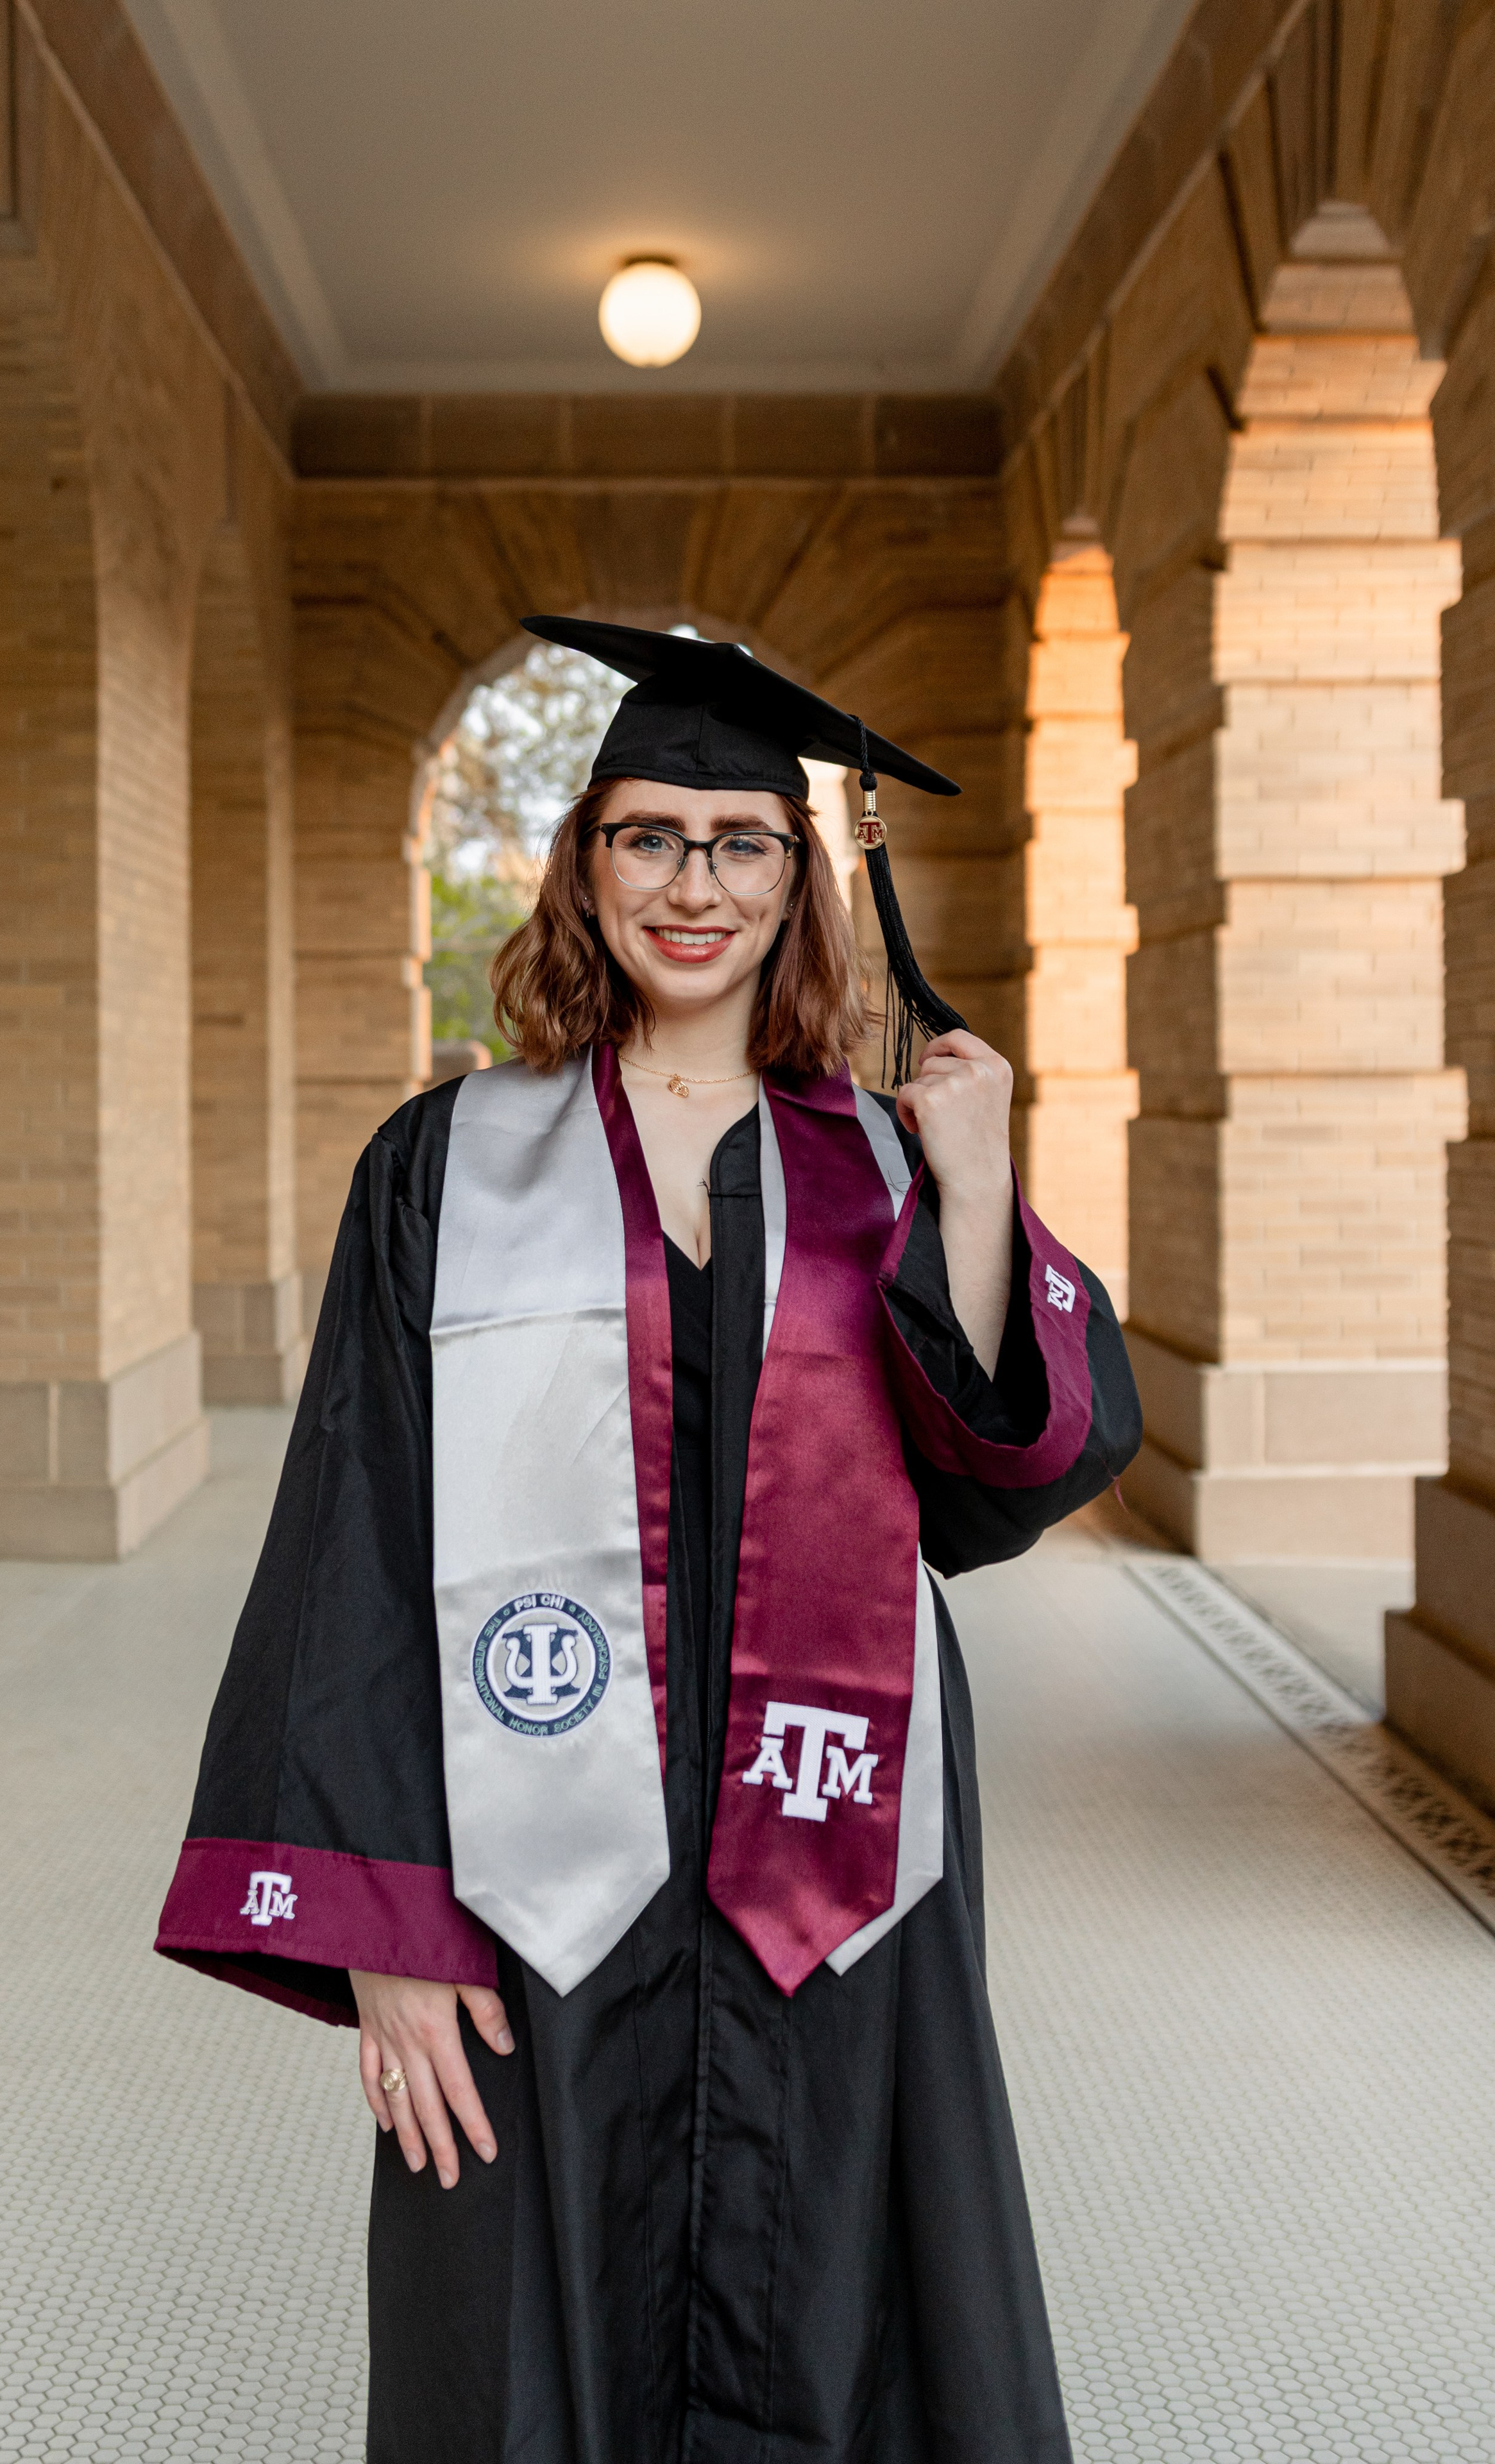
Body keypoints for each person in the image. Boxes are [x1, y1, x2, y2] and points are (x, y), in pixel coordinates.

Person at [156, 620, 1141, 2464]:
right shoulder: (447, 1163)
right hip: (540, 1857)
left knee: (848, 2272)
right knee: (523, 2288)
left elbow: (1003, 1476)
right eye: (650, 835)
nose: (695, 884)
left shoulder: (881, 1157)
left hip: (838, 1843)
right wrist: (387, 1923)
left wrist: (985, 1182)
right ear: (586, 863)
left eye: (742, 842)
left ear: (801, 882)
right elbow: (354, 1533)